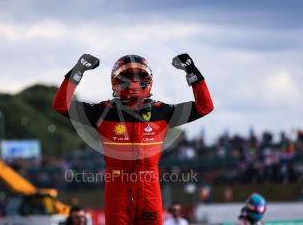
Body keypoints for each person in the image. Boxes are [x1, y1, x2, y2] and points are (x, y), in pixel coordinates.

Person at [53, 53, 214, 225]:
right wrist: (78, 71)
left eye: (140, 77)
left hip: (149, 187)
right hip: (117, 188)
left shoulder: (163, 111)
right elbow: (60, 105)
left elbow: (205, 106)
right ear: (116, 81)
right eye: (129, 77)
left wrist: (191, 70)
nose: (135, 83)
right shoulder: (102, 111)